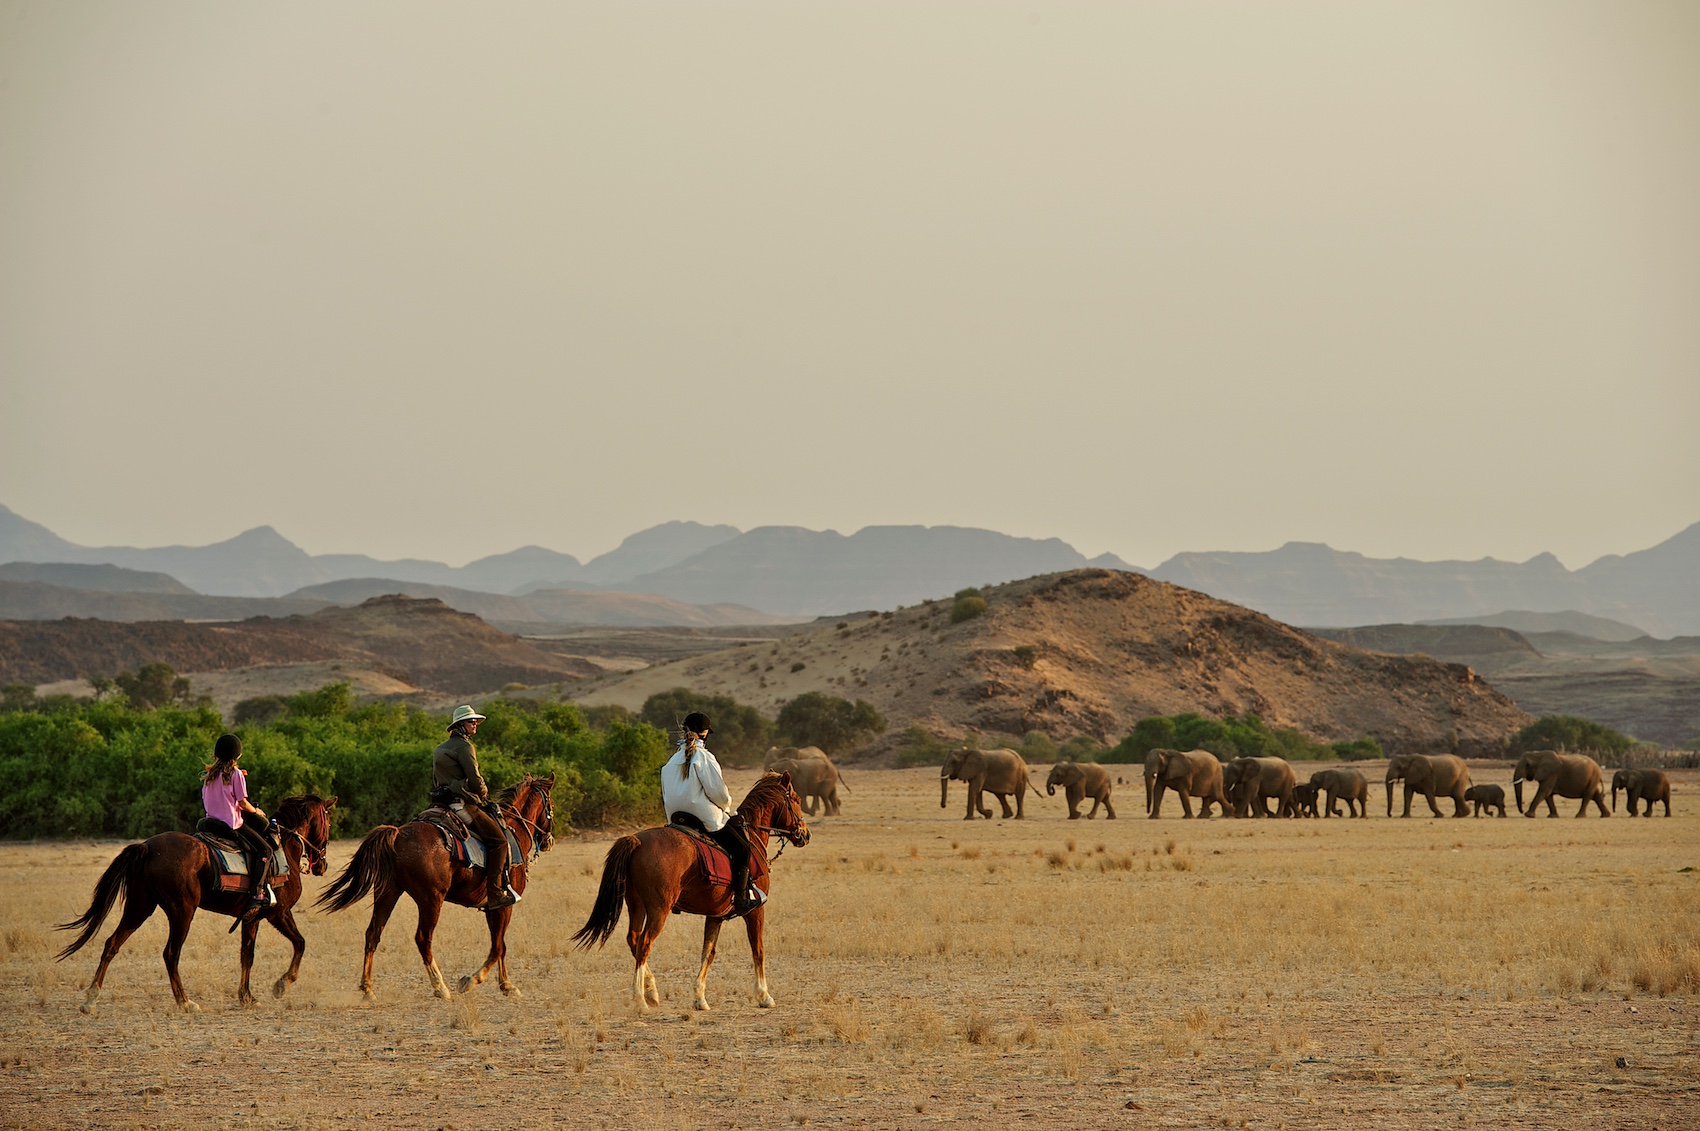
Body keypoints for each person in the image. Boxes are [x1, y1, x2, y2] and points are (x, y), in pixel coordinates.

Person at [662, 711, 760, 917]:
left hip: (676, 817)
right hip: (703, 818)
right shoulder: (704, 757)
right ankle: (742, 899)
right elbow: (718, 793)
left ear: (685, 730)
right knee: (742, 849)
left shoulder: (671, 760)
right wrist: (726, 808)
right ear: (705, 733)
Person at [432, 705, 518, 911]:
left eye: (476, 722)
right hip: (462, 805)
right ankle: (496, 893)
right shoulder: (465, 747)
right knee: (499, 842)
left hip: (440, 805)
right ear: (461, 725)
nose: (476, 725)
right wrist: (484, 795)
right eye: (472, 722)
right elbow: (475, 778)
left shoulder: (439, 748)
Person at [200, 733, 279, 919]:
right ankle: (257, 894)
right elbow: (243, 804)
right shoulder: (236, 774)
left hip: (211, 824)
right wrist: (258, 812)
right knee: (265, 851)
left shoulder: (209, 775)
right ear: (238, 756)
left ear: (216, 755)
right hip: (231, 825)